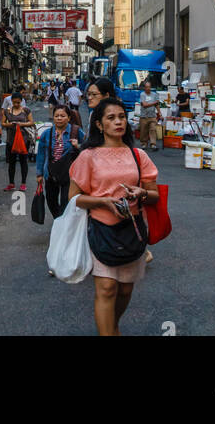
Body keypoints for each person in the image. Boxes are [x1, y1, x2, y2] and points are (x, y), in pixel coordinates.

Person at [68, 99, 159, 337]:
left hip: (133, 230)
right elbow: (74, 198)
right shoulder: (88, 156)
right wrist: (103, 201)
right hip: (100, 229)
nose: (118, 121)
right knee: (107, 287)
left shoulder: (138, 155)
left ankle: (111, 326)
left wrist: (141, 193)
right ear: (99, 124)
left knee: (126, 290)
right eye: (111, 118)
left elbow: (154, 195)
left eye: (121, 116)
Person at [36, 104, 81, 219]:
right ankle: (58, 220)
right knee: (51, 201)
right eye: (56, 116)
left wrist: (78, 146)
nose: (59, 118)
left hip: (69, 175)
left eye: (62, 116)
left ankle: (63, 224)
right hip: (51, 173)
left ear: (69, 118)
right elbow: (41, 154)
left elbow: (88, 149)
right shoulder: (47, 134)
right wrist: (39, 174)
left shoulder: (76, 131)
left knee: (66, 202)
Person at [2, 90, 35, 191]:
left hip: (24, 140)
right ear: (11, 101)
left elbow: (31, 122)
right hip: (11, 139)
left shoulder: (26, 110)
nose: (16, 104)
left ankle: (23, 183)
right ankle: (11, 183)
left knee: (23, 162)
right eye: (14, 102)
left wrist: (21, 124)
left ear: (21, 101)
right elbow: (3, 123)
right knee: (11, 162)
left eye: (18, 102)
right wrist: (10, 124)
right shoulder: (7, 111)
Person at [138, 79, 160, 151]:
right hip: (144, 116)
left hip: (152, 116)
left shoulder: (154, 94)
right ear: (144, 88)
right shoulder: (142, 94)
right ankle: (144, 143)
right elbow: (144, 105)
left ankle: (153, 144)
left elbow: (157, 105)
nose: (148, 88)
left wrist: (159, 112)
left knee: (153, 129)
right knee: (143, 130)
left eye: (149, 87)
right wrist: (154, 103)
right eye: (147, 87)